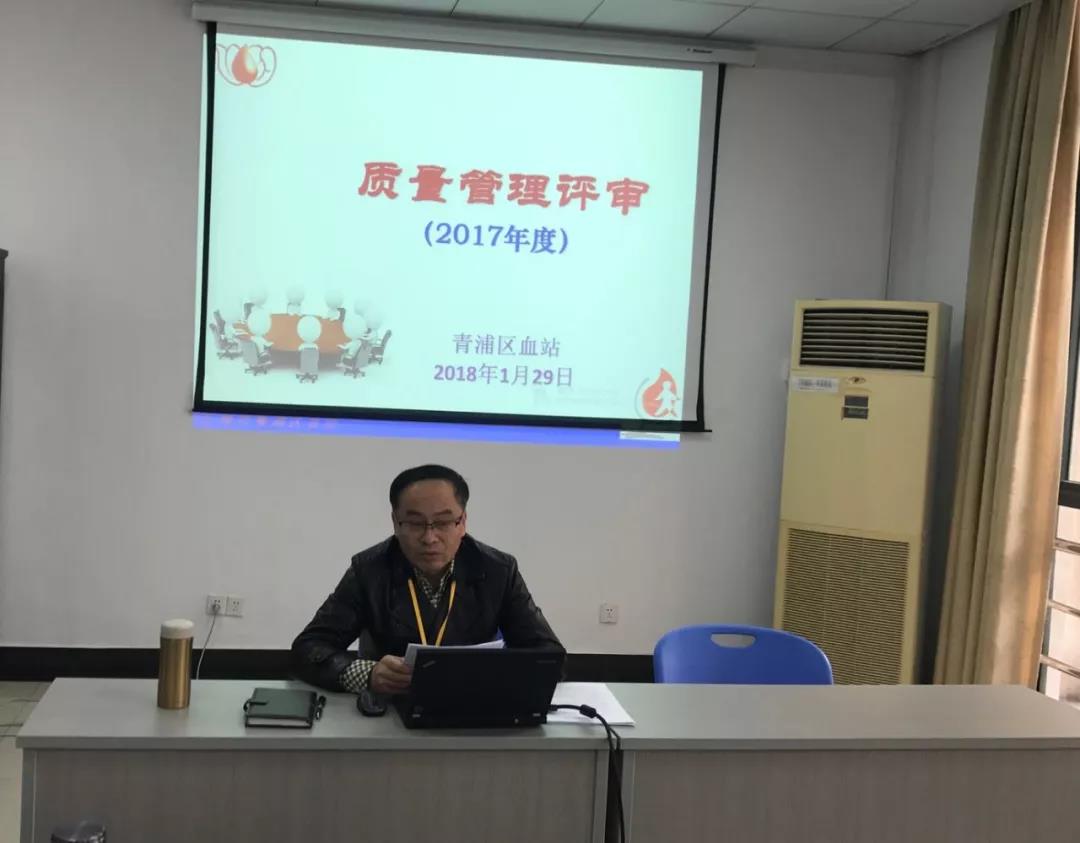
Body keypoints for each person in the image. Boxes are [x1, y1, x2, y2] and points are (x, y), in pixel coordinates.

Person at [292, 465, 562, 695]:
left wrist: (492, 673)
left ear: (462, 522)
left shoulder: (498, 570)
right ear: (395, 522)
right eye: (415, 523)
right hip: (392, 710)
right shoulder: (369, 570)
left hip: (476, 711)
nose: (429, 538)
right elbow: (308, 648)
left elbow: (549, 656)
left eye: (443, 523)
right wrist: (368, 674)